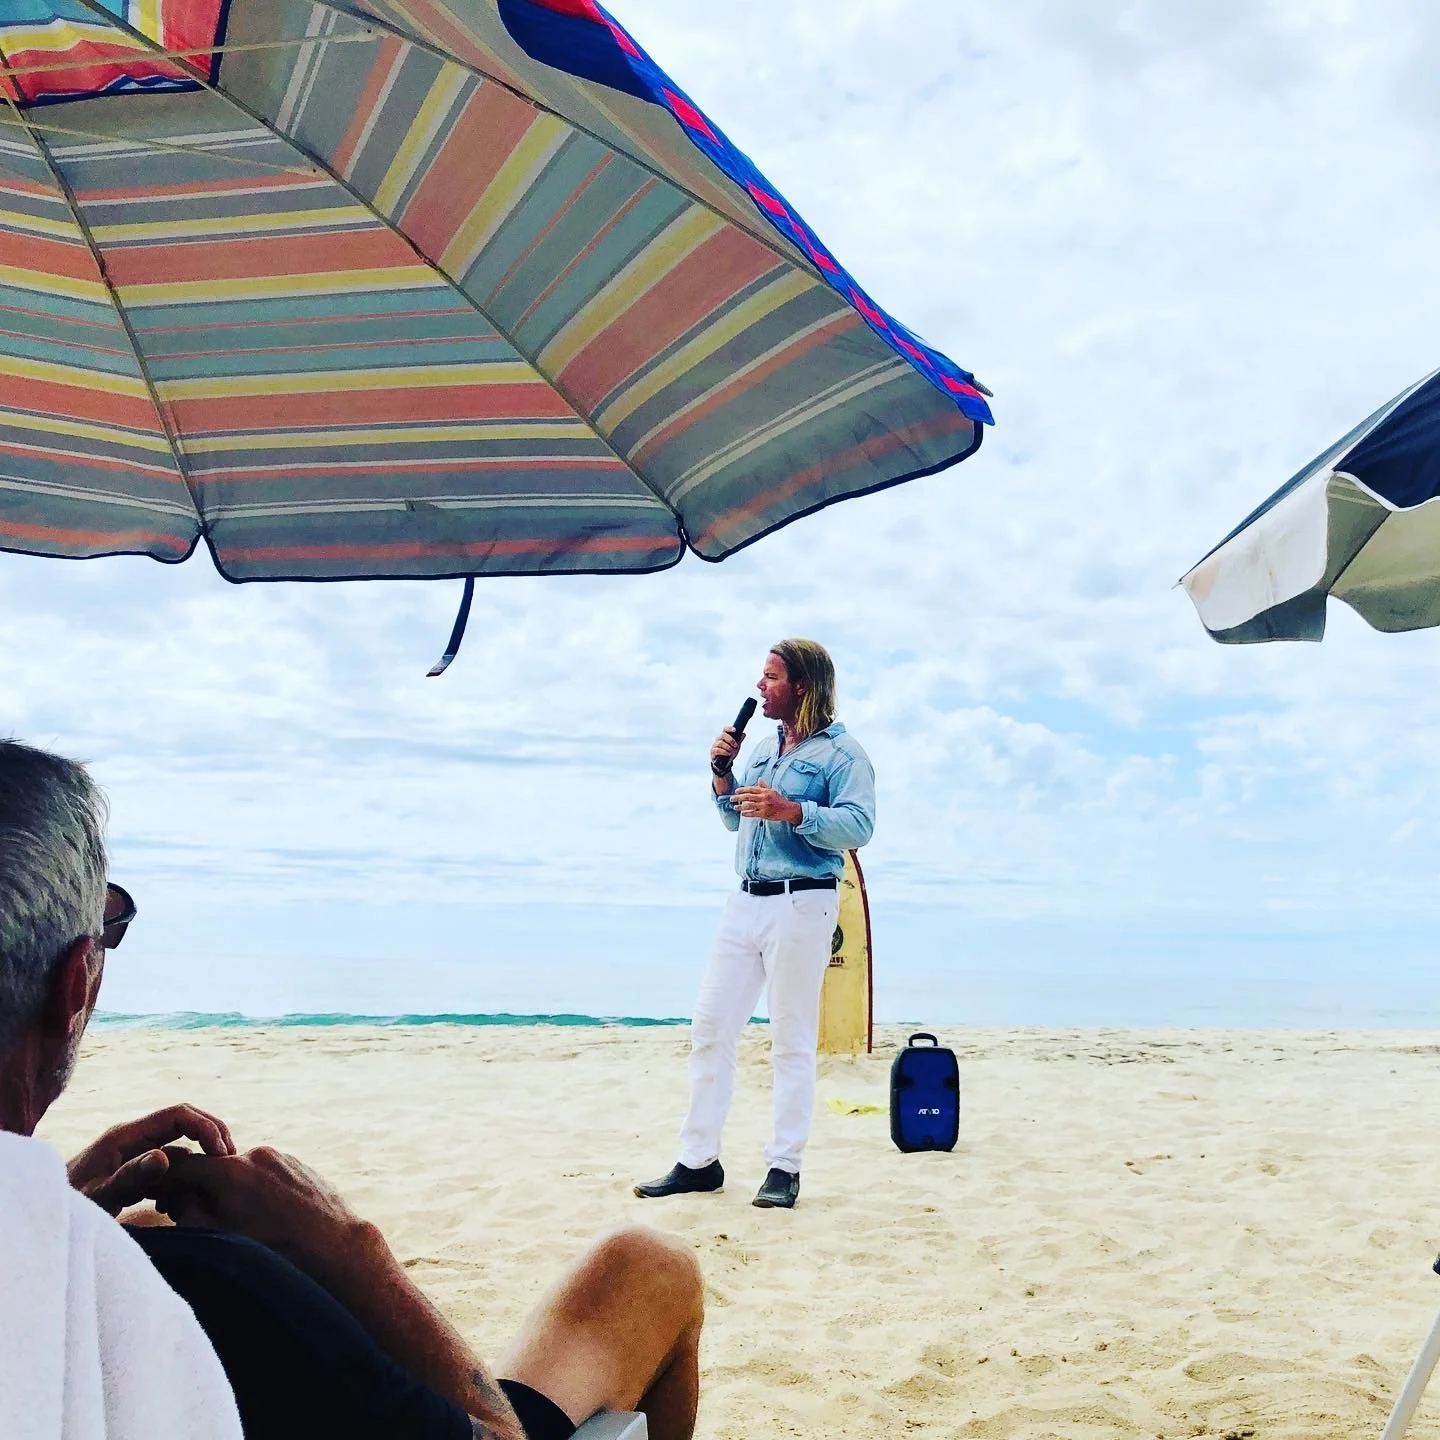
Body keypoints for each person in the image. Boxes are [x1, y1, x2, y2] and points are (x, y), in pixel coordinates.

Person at [0, 739, 704, 1440]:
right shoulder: (208, 1290)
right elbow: (497, 1432)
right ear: (75, 985)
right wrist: (348, 1255)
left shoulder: (54, 1277)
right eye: (108, 929)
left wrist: (52, 1212)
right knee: (651, 1267)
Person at [635, 640, 875, 1211]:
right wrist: (721, 772)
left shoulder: (843, 756)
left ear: (803, 686)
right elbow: (730, 817)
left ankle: (783, 1168)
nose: (760, 686)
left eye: (771, 677)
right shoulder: (766, 749)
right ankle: (698, 1161)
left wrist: (792, 810)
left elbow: (860, 825)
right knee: (711, 1028)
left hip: (802, 902)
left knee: (791, 1039)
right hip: (743, 901)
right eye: (762, 676)